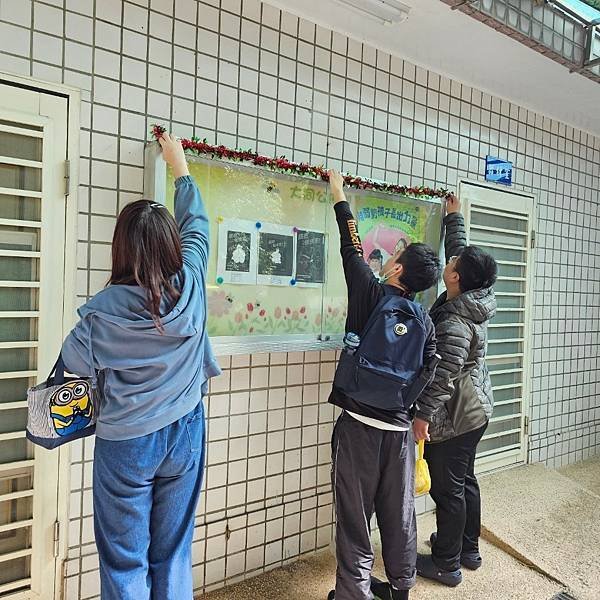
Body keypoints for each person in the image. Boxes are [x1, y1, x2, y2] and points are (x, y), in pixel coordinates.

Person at [60, 133, 221, 600]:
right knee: (172, 553)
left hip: (126, 443)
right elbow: (198, 225)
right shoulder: (191, 284)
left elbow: (70, 377)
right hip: (186, 433)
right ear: (171, 247)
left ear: (121, 250)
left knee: (124, 560)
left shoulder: (97, 319)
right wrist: (181, 168)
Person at [326, 170, 442, 600]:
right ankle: (400, 588)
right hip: (398, 434)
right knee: (400, 516)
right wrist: (404, 404)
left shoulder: (368, 294)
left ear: (396, 267)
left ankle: (353, 594)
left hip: (357, 426)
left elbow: (350, 245)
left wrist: (339, 193)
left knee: (354, 520)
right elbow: (430, 370)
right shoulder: (426, 322)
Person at [413, 194, 498, 587]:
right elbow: (461, 253)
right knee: (465, 480)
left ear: (455, 278)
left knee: (449, 489)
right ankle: (467, 548)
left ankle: (446, 563)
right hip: (477, 408)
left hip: (457, 416)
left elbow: (442, 376)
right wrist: (454, 217)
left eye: (452, 264)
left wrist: (422, 417)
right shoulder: (473, 295)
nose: (449, 261)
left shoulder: (454, 323)